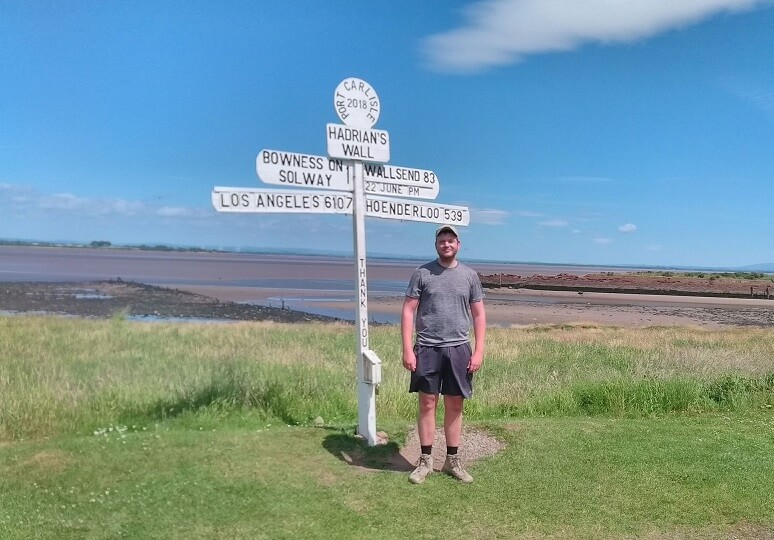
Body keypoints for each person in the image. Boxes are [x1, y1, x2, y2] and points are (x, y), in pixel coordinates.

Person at [401, 225, 486, 484]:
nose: (446, 245)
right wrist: (407, 349)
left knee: (455, 404)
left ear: (458, 244)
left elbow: (479, 314)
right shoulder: (422, 273)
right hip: (427, 348)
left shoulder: (469, 276)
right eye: (441, 241)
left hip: (459, 348)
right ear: (436, 245)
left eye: (450, 241)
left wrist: (479, 350)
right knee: (427, 403)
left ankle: (452, 461)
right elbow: (408, 310)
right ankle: (425, 461)